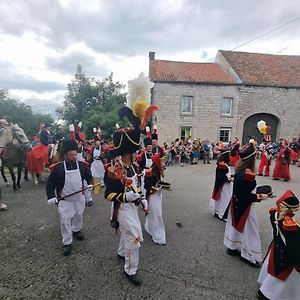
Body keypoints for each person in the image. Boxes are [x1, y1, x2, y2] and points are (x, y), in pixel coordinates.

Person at [224, 141, 268, 268]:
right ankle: (248, 256)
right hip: (245, 207)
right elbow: (245, 195)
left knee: (234, 227)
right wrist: (259, 197)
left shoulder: (239, 169)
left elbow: (241, 191)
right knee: (250, 230)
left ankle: (232, 247)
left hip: (236, 203)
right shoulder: (247, 174)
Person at [46, 139, 93, 256]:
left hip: (78, 197)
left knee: (78, 215)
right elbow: (50, 185)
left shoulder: (82, 166)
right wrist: (51, 196)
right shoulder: (58, 168)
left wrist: (90, 183)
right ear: (65, 155)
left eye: (75, 154)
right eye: (71, 155)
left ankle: (77, 229)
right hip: (65, 200)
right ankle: (67, 242)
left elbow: (88, 176)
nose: (74, 156)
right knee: (65, 221)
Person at [257, 190, 300, 300]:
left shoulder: (274, 215)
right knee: (282, 283)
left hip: (276, 249)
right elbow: (295, 250)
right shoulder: (292, 229)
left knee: (273, 276)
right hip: (287, 259)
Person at [210, 150, 233, 221]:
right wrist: (229, 179)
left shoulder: (223, 164)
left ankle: (217, 211)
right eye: (228, 155)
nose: (230, 157)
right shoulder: (222, 165)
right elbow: (221, 177)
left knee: (221, 199)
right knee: (225, 200)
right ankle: (222, 213)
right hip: (223, 186)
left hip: (224, 185)